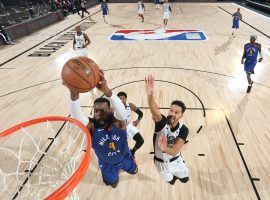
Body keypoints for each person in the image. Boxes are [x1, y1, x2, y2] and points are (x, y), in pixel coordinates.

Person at [65, 70, 138, 188]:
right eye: (96, 110)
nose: (98, 113)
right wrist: (74, 97)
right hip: (107, 164)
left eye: (103, 110)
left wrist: (107, 91)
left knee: (134, 171)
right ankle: (114, 180)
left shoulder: (118, 123)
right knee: (113, 184)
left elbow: (122, 113)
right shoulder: (92, 127)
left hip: (125, 157)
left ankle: (130, 167)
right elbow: (77, 117)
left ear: (110, 111)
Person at [145, 75, 189, 185]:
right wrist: (150, 95)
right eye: (171, 110)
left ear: (181, 115)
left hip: (177, 161)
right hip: (161, 164)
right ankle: (172, 179)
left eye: (176, 112)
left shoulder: (184, 129)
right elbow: (154, 110)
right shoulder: (162, 123)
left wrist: (164, 148)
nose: (172, 114)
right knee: (171, 181)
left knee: (184, 178)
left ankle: (181, 176)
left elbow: (174, 151)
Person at [117, 92, 144, 157]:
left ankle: (133, 151)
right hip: (120, 129)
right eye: (119, 99)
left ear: (126, 99)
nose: (121, 100)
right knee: (120, 146)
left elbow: (140, 113)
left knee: (140, 141)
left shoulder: (131, 105)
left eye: (123, 98)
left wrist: (138, 120)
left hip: (129, 126)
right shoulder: (115, 109)